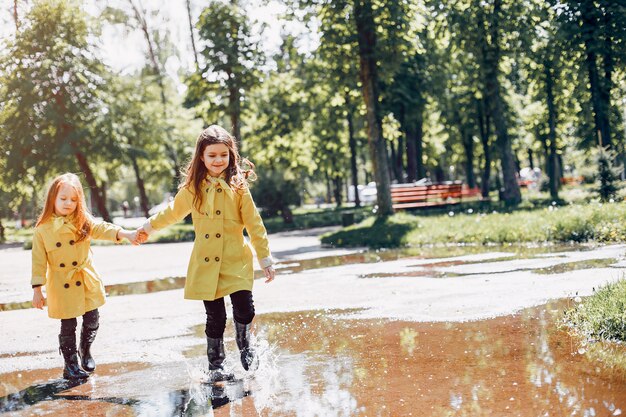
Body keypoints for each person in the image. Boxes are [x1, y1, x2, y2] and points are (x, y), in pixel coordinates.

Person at [135, 125, 275, 383]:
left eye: (223, 154)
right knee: (216, 316)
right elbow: (172, 212)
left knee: (245, 308)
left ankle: (245, 344)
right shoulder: (193, 189)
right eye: (212, 155)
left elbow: (254, 224)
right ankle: (216, 365)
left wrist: (264, 258)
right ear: (201, 156)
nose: (218, 160)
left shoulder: (239, 186)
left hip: (236, 260)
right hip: (207, 262)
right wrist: (147, 228)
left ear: (230, 155)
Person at [31, 173, 138, 379]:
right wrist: (37, 290)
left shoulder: (82, 221)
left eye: (73, 199)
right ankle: (70, 365)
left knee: (92, 318)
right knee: (68, 324)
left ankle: (85, 349)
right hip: (62, 283)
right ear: (52, 198)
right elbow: (38, 262)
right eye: (63, 198)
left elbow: (102, 228)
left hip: (86, 279)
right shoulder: (42, 230)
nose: (68, 203)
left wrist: (125, 234)